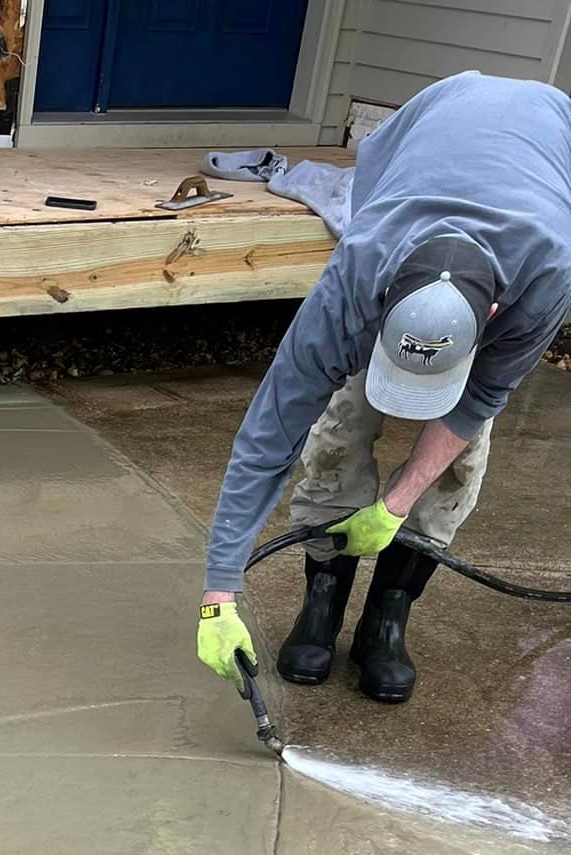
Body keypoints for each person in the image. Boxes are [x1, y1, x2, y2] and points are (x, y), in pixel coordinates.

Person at [197, 71, 571, 706]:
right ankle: (324, 594)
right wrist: (218, 590)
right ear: (380, 306)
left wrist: (398, 502)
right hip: (434, 120)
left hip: (547, 156)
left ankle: (389, 612)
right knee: (340, 425)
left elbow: (478, 398)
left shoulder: (549, 275)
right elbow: (271, 432)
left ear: (490, 318)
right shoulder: (357, 275)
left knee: (462, 450)